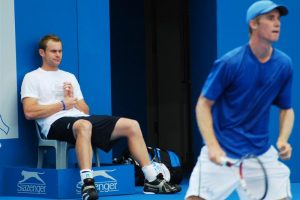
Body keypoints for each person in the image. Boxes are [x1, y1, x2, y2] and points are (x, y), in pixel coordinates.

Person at [21, 34, 180, 200]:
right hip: (54, 124)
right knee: (84, 125)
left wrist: (72, 99)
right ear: (42, 53)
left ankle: (152, 179)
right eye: (53, 51)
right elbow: (29, 112)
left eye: (60, 51)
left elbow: (85, 109)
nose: (58, 55)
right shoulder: (32, 77)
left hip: (80, 119)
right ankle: (88, 184)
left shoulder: (69, 76)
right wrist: (62, 105)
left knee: (131, 125)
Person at [185, 1, 294, 200]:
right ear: (253, 24)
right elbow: (203, 104)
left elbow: (287, 109)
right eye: (270, 18)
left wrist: (283, 139)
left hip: (259, 153)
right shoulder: (230, 62)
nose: (277, 23)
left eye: (278, 19)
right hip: (223, 150)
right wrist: (212, 145)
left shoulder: (284, 64)